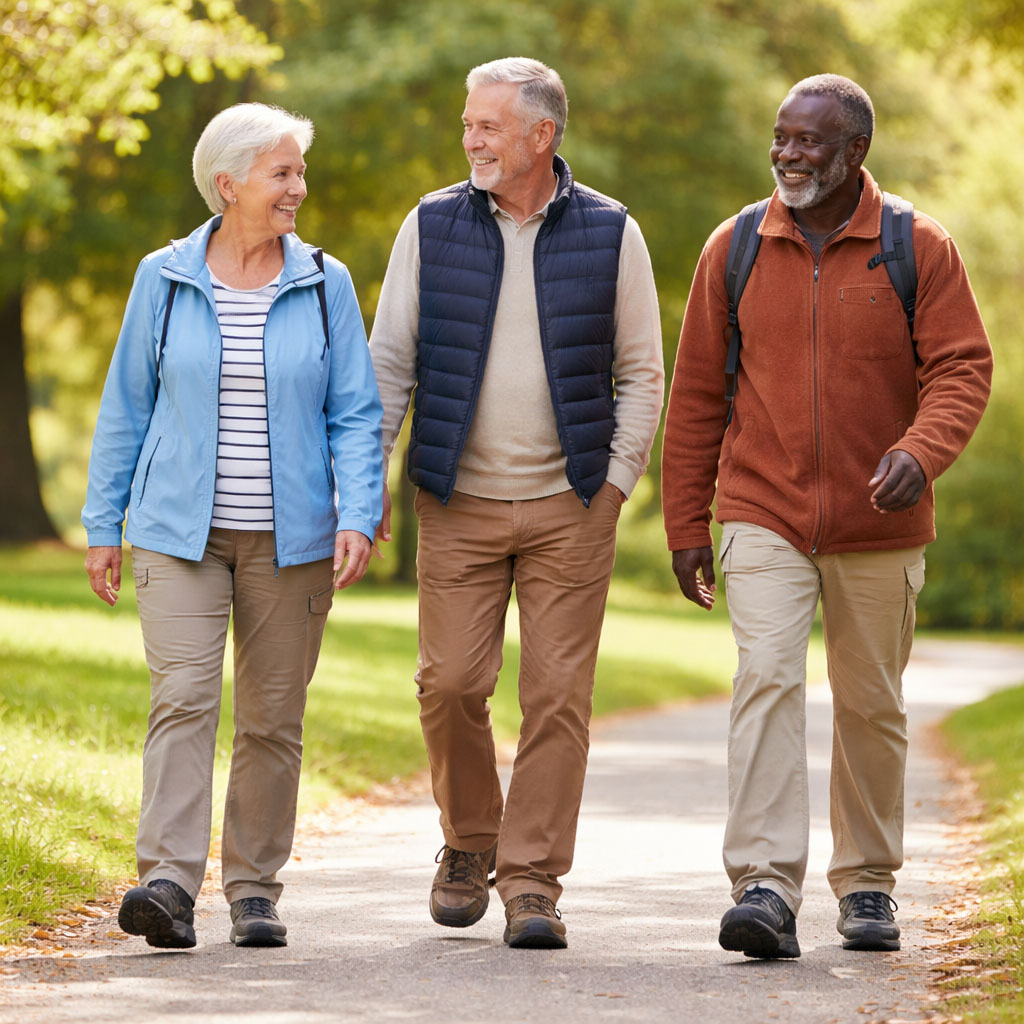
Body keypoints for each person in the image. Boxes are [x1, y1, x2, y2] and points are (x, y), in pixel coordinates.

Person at [662, 74, 992, 959]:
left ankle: (869, 884)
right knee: (766, 677)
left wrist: (920, 454)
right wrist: (686, 521)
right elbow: (696, 394)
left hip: (880, 521)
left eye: (809, 141)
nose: (788, 153)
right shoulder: (732, 247)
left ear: (856, 153)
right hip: (762, 507)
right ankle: (765, 883)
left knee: (871, 703)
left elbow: (963, 369)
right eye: (781, 137)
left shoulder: (917, 245)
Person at [370, 57, 663, 949]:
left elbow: (642, 372)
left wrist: (614, 485)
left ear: (542, 135)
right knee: (450, 684)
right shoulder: (430, 224)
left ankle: (532, 882)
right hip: (457, 501)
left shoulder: (613, 232)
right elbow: (390, 362)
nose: (470, 139)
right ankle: (468, 842)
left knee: (558, 698)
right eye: (468, 124)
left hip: (570, 502)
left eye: (488, 126)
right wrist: (365, 486)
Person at [82, 102, 383, 950]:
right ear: (230, 183)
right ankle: (169, 882)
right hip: (178, 534)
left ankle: (253, 888)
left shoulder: (325, 280)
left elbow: (355, 414)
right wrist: (105, 523)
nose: (300, 187)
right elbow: (125, 408)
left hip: (291, 541)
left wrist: (357, 510)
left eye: (299, 172)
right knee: (181, 699)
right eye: (283, 172)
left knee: (271, 717)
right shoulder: (165, 277)